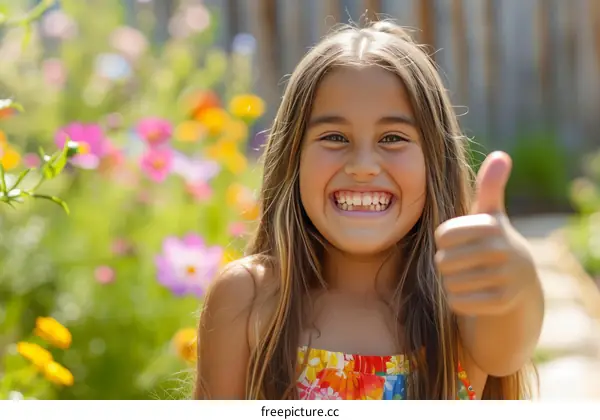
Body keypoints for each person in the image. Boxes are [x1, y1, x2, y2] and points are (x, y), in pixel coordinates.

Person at [193, 19, 544, 400]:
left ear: (435, 161)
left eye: (392, 138)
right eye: (334, 137)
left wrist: (519, 281)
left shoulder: (456, 302)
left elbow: (508, 348)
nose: (362, 165)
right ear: (292, 157)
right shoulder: (248, 298)